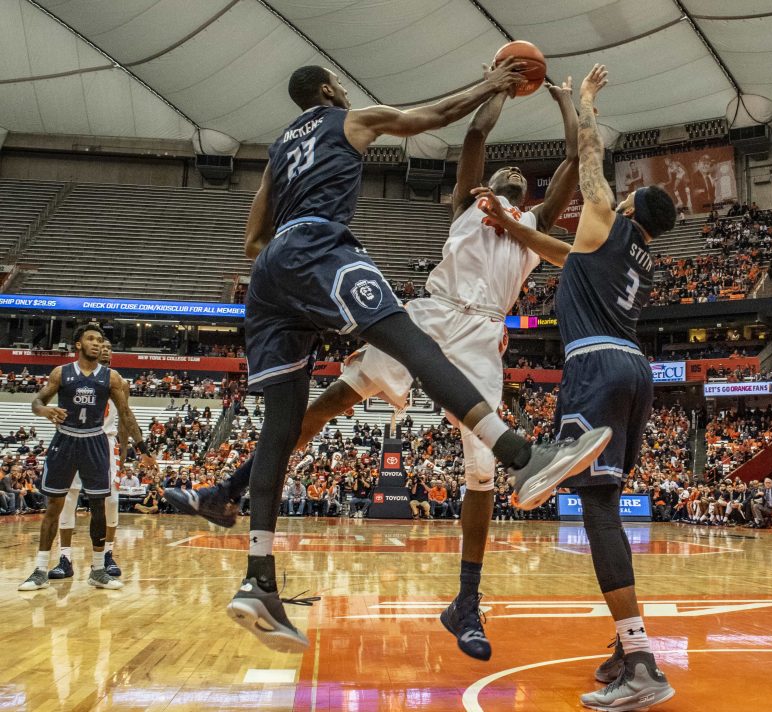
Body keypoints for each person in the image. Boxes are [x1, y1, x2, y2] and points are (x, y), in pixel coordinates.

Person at [167, 68, 608, 655]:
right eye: (499, 175)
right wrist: (498, 87)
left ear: (525, 195)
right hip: (429, 311)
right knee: (328, 405)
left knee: (479, 475)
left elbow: (573, 167)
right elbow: (473, 136)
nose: (506, 176)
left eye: (516, 178)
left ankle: (467, 604)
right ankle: (229, 488)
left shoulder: (534, 224)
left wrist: (567, 106)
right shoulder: (467, 205)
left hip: (479, 332)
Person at [475, 64, 676, 711]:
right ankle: (628, 644)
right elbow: (553, 249)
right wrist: (512, 230)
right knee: (605, 508)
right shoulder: (627, 252)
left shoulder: (603, 219)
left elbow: (589, 157)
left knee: (595, 512)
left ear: (626, 206)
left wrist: (582, 103)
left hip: (594, 368)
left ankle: (641, 661)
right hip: (635, 370)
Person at [18, 324, 154, 592]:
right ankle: (40, 569)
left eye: (100, 340)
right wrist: (45, 411)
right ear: (78, 344)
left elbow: (126, 414)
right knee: (54, 506)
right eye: (90, 339)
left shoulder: (112, 378)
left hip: (95, 442)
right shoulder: (62, 373)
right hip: (65, 440)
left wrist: (143, 448)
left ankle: (98, 569)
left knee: (98, 506)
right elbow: (37, 401)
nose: (97, 344)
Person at [48, 339, 128, 581]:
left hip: (106, 442)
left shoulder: (120, 382)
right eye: (99, 345)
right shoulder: (71, 376)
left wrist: (123, 453)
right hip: (74, 440)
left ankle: (107, 554)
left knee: (111, 501)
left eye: (109, 347)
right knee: (68, 497)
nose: (104, 349)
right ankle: (65, 557)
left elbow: (125, 417)